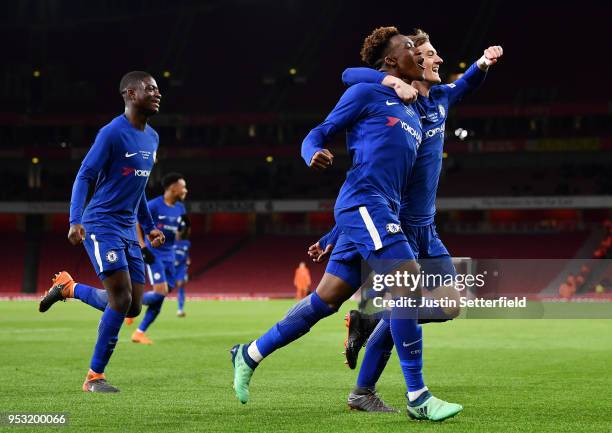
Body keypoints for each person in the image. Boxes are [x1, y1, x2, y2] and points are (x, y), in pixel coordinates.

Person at [231, 26, 462, 421]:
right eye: (411, 48)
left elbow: (389, 174)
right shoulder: (367, 92)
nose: (419, 54)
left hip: (376, 212)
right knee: (406, 281)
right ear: (391, 61)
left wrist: (336, 233)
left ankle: (249, 352)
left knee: (326, 300)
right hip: (365, 206)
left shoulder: (410, 107)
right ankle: (418, 397)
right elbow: (319, 130)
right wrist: (312, 152)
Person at [312, 29, 503, 412]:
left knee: (448, 305)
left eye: (433, 53)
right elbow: (352, 76)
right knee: (405, 299)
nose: (435, 60)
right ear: (409, 63)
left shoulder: (442, 100)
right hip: (395, 222)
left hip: (426, 227)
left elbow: (465, 83)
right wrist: (337, 230)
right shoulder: (403, 105)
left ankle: (370, 325)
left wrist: (483, 62)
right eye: (428, 53)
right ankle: (377, 392)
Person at [38, 71, 165, 392]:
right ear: (129, 94)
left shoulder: (152, 138)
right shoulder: (111, 133)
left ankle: (68, 288)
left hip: (127, 228)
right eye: (149, 89)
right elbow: (85, 175)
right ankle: (95, 376)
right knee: (120, 300)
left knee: (133, 305)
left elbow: (137, 191)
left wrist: (149, 228)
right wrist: (74, 219)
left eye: (158, 89)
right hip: (101, 224)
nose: (157, 93)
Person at [129, 173, 188, 344]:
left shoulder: (180, 209)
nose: (185, 190)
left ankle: (139, 332)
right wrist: (142, 246)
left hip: (169, 255)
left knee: (162, 294)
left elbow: (178, 232)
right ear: (172, 188)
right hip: (154, 255)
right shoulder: (154, 205)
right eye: (182, 186)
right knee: (160, 292)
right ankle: (128, 305)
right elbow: (137, 223)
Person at [174, 215, 191, 317]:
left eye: (179, 230)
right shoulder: (169, 242)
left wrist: (188, 260)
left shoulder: (186, 243)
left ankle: (180, 309)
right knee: (164, 289)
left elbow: (187, 255)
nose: (178, 232)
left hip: (181, 267)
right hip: (170, 267)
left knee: (181, 285)